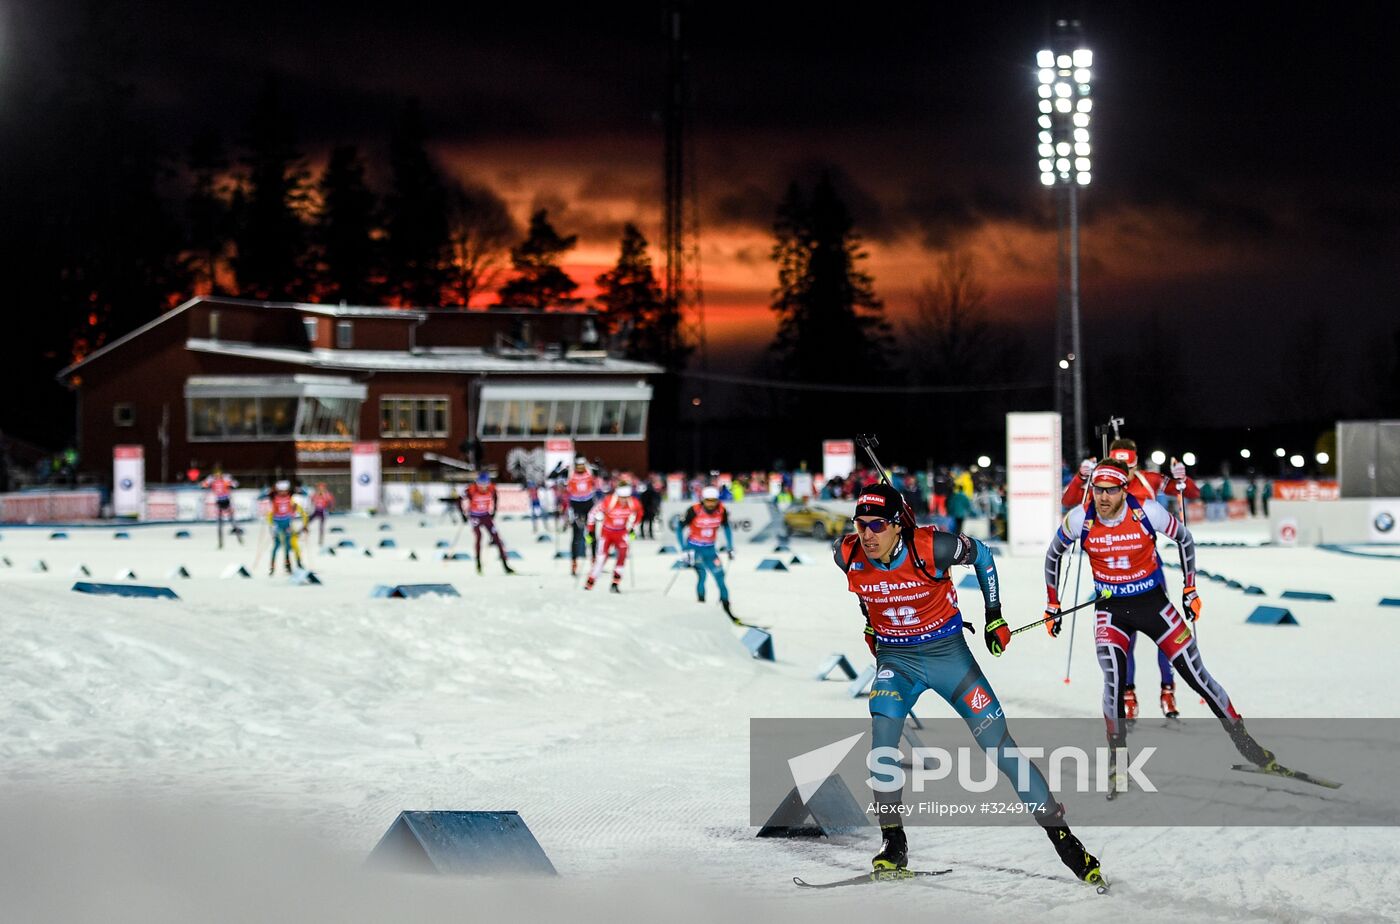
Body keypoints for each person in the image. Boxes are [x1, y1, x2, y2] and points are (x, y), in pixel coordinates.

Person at [835, 482, 1103, 885]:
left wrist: (994, 615)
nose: (866, 534)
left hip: (950, 658)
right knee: (883, 741)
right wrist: (871, 624)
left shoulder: (933, 548)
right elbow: (863, 591)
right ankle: (894, 842)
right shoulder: (846, 553)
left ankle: (1065, 840)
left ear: (896, 525)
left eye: (876, 525)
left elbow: (983, 554)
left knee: (1001, 747)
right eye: (860, 525)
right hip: (897, 662)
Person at [1043, 460, 1278, 786]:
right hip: (1111, 611)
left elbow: (1185, 539)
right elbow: (1053, 554)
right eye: (1098, 490)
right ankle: (1117, 760)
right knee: (1114, 678)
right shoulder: (1080, 519)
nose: (1103, 497)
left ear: (1124, 489)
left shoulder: (1147, 512)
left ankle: (1247, 745)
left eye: (1110, 490)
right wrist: (1052, 602)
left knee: (1198, 677)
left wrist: (1190, 587)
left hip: (1154, 605)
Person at [1061, 437, 1200, 721]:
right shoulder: (1103, 485)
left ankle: (1167, 689)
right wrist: (1080, 478)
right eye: (1120, 465)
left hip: (1149, 569)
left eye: (1130, 466)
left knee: (1165, 634)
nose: (1126, 471)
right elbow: (1068, 501)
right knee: (1127, 638)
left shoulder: (1148, 479)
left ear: (1137, 464)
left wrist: (1182, 478)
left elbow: (1190, 493)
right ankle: (1128, 693)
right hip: (1112, 571)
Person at [676, 486, 737, 618]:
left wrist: (730, 547)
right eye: (708, 501)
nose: (711, 504)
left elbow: (726, 528)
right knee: (702, 577)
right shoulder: (694, 510)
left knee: (720, 578)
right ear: (703, 500)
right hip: (695, 549)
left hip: (710, 550)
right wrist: (684, 548)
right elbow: (679, 528)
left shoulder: (722, 510)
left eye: (713, 501)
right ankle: (701, 607)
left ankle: (727, 610)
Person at [585, 478, 643, 592]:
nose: (623, 501)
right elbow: (592, 514)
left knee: (622, 556)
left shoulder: (634, 503)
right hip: (607, 533)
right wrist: (590, 531)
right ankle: (589, 583)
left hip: (621, 533)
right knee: (601, 559)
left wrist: (632, 528)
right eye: (622, 497)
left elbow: (639, 515)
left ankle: (615, 584)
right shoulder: (608, 501)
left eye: (626, 497)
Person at [461, 472, 515, 575]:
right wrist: (463, 514)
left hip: (485, 515)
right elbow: (459, 500)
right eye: (481, 484)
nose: (483, 487)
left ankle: (506, 566)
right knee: (479, 536)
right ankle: (478, 564)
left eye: (485, 484)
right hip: (475, 516)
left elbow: (495, 497)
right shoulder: (471, 489)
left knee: (497, 539)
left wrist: (494, 511)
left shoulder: (491, 488)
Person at [565, 457, 597, 576]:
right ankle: (574, 563)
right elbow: (553, 476)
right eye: (578, 465)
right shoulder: (570, 473)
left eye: (582, 465)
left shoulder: (590, 472)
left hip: (588, 504)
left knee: (591, 534)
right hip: (576, 505)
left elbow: (599, 474)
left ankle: (594, 561)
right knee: (576, 536)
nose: (580, 468)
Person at [267, 480, 306, 575]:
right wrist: (272, 525)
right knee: (276, 545)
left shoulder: (290, 498)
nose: (283, 492)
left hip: (287, 524)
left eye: (285, 490)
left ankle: (288, 565)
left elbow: (295, 509)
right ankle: (272, 567)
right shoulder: (274, 498)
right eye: (281, 491)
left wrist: (293, 512)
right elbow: (272, 512)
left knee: (288, 546)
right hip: (278, 523)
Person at [202, 467, 241, 549]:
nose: (217, 475)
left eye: (218, 474)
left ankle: (239, 539)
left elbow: (236, 484)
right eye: (216, 474)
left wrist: (230, 482)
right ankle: (220, 543)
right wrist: (207, 481)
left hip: (226, 500)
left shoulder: (225, 479)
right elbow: (203, 485)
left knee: (232, 521)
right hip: (219, 501)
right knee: (220, 524)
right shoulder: (212, 480)